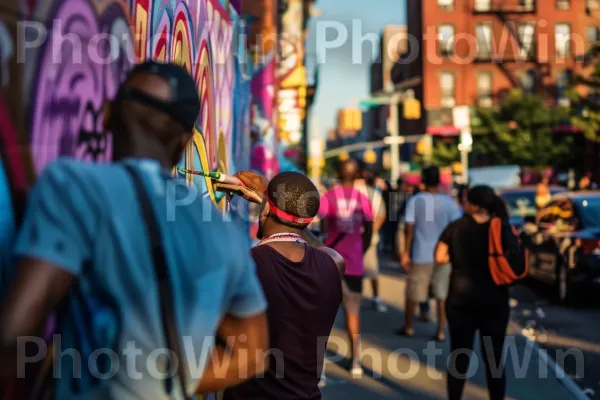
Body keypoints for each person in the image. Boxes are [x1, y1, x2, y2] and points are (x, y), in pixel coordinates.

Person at [0, 61, 269, 398]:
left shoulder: (74, 186)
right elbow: (252, 354)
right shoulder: (225, 232)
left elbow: (13, 337)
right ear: (185, 141)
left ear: (108, 114)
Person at [223, 171, 344, 400]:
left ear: (266, 209)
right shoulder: (333, 265)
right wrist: (272, 202)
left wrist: (266, 198)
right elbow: (322, 248)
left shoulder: (244, 265)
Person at [434, 186, 523, 400]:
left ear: (473, 204)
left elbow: (439, 257)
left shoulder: (455, 227)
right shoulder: (501, 227)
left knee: (459, 356)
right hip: (495, 301)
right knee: (494, 359)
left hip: (460, 300)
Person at [320, 159, 373, 377]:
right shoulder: (362, 198)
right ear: (357, 175)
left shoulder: (329, 196)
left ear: (339, 174)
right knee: (353, 312)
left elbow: (323, 228)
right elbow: (369, 228)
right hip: (354, 263)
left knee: (323, 315)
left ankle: (318, 368)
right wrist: (362, 249)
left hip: (331, 262)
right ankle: (356, 361)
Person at [398, 166, 461, 341]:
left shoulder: (416, 200)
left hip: (420, 254)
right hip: (444, 256)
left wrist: (405, 252)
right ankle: (441, 330)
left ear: (423, 181)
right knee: (442, 296)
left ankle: (409, 327)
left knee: (412, 293)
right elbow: (456, 229)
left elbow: (408, 229)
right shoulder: (449, 202)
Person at [360, 169, 388, 312]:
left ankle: (351, 297)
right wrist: (373, 231)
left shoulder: (356, 193)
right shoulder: (376, 196)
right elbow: (382, 215)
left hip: (354, 238)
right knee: (372, 269)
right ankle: (376, 298)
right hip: (370, 238)